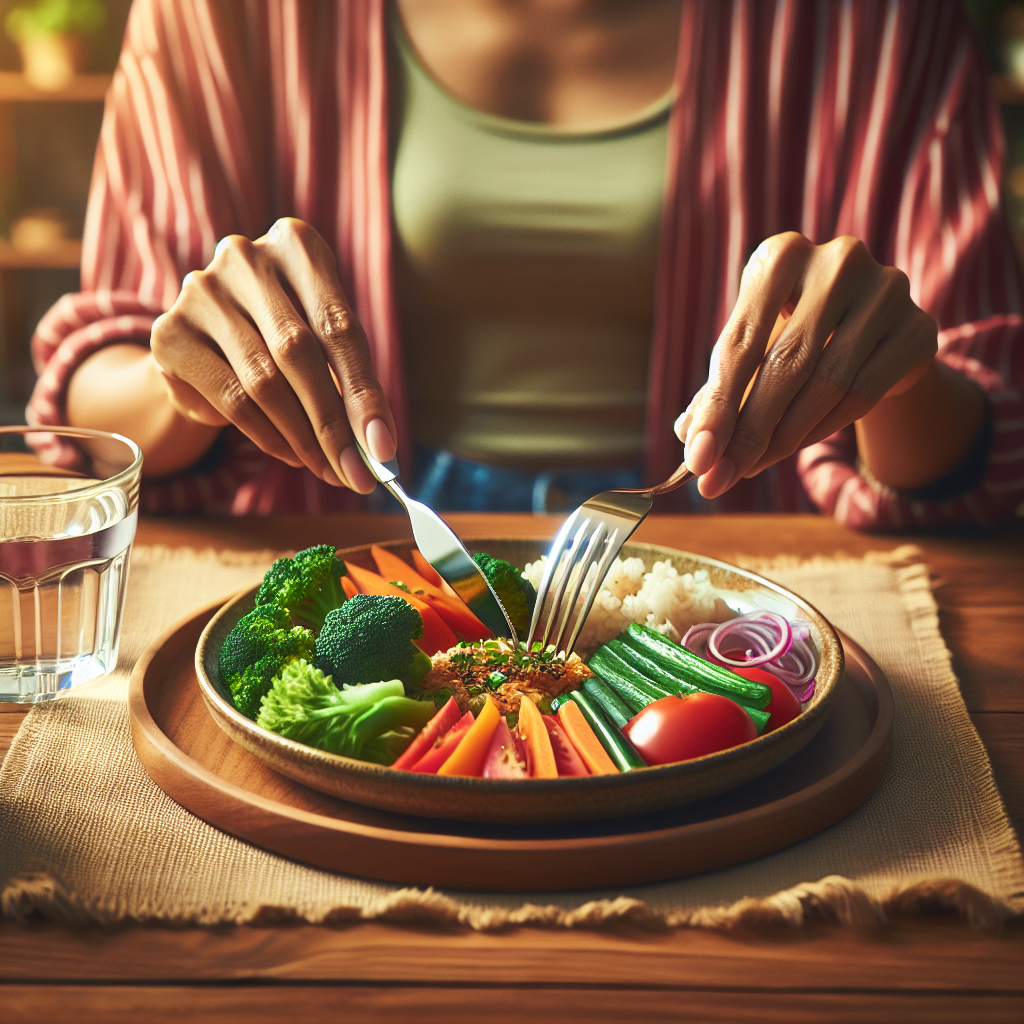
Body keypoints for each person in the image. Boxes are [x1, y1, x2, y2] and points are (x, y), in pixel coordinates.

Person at [28, 0, 1023, 528]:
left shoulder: (885, 23)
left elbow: (982, 454)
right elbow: (86, 420)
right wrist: (184, 381)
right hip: (336, 538)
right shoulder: (226, 15)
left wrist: (893, 382)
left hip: (752, 574)